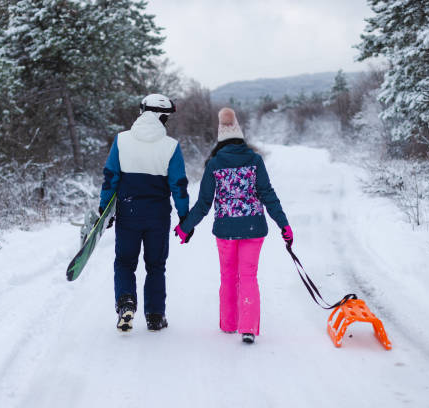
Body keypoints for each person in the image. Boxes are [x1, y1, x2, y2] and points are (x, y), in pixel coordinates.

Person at [173, 107, 293, 344]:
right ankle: (247, 328)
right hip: (253, 228)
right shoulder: (255, 160)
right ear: (240, 136)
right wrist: (284, 224)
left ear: (221, 139)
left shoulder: (215, 163)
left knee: (228, 276)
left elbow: (204, 202)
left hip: (226, 230)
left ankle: (229, 324)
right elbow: (267, 194)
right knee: (248, 276)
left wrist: (186, 226)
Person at [99, 94, 189, 332]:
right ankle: (155, 316)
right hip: (158, 216)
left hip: (128, 212)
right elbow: (178, 185)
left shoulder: (121, 141)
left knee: (125, 262)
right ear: (161, 116)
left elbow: (110, 178)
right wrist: (184, 217)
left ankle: (126, 301)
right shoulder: (171, 146)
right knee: (156, 266)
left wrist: (103, 209)